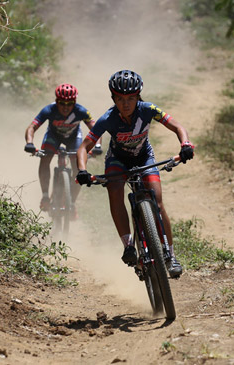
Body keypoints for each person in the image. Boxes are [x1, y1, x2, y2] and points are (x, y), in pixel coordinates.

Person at [75, 70, 194, 278]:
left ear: (138, 96)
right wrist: (82, 170)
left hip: (144, 157)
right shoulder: (108, 119)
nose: (126, 104)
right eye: (120, 99)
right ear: (113, 99)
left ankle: (170, 255)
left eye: (131, 98)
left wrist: (185, 144)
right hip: (117, 160)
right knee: (114, 190)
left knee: (157, 201)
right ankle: (128, 245)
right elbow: (84, 147)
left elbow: (177, 126)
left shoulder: (148, 110)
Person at [25, 83, 102, 214]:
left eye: (70, 103)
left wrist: (98, 146)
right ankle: (45, 196)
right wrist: (30, 143)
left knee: (79, 169)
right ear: (56, 101)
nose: (66, 107)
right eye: (62, 103)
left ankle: (72, 203)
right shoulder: (49, 110)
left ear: (75, 102)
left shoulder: (81, 111)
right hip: (53, 136)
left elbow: (95, 129)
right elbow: (32, 127)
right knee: (45, 159)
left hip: (73, 138)